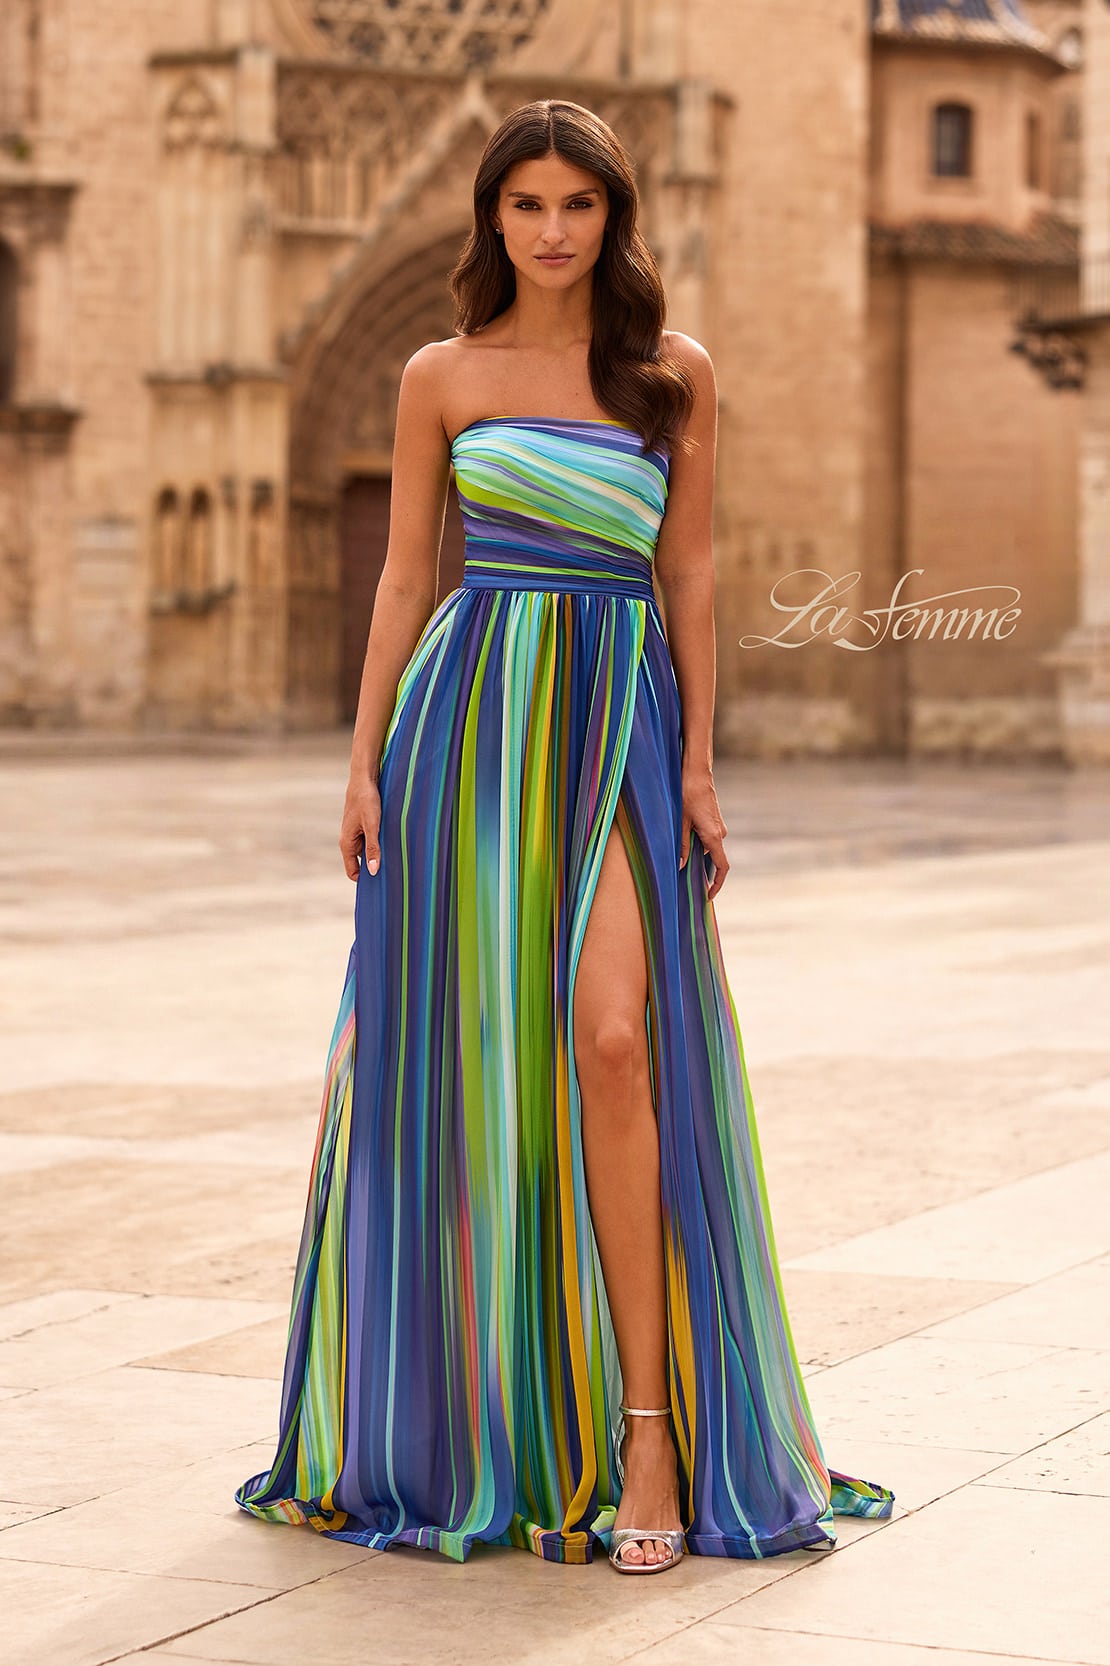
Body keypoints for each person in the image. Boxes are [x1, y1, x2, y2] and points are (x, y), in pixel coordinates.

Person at [234, 97, 894, 1576]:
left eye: (577, 205)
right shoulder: (438, 374)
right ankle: (490, 1422)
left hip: (620, 724)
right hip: (465, 732)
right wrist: (360, 762)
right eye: (526, 204)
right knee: (468, 1068)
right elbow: (405, 578)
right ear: (493, 218)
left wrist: (701, 763)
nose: (551, 230)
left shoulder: (673, 372)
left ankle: (649, 1430)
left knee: (611, 1039)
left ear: (614, 217)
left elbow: (692, 572)